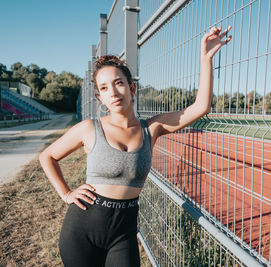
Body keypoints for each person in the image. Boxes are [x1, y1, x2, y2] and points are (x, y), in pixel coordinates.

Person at [39, 26, 232, 267]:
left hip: (124, 232)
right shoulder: (89, 128)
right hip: (82, 229)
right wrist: (66, 194)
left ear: (132, 88)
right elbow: (47, 156)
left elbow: (200, 107)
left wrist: (206, 58)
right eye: (104, 88)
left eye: (119, 83)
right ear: (100, 97)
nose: (113, 92)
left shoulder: (152, 128)